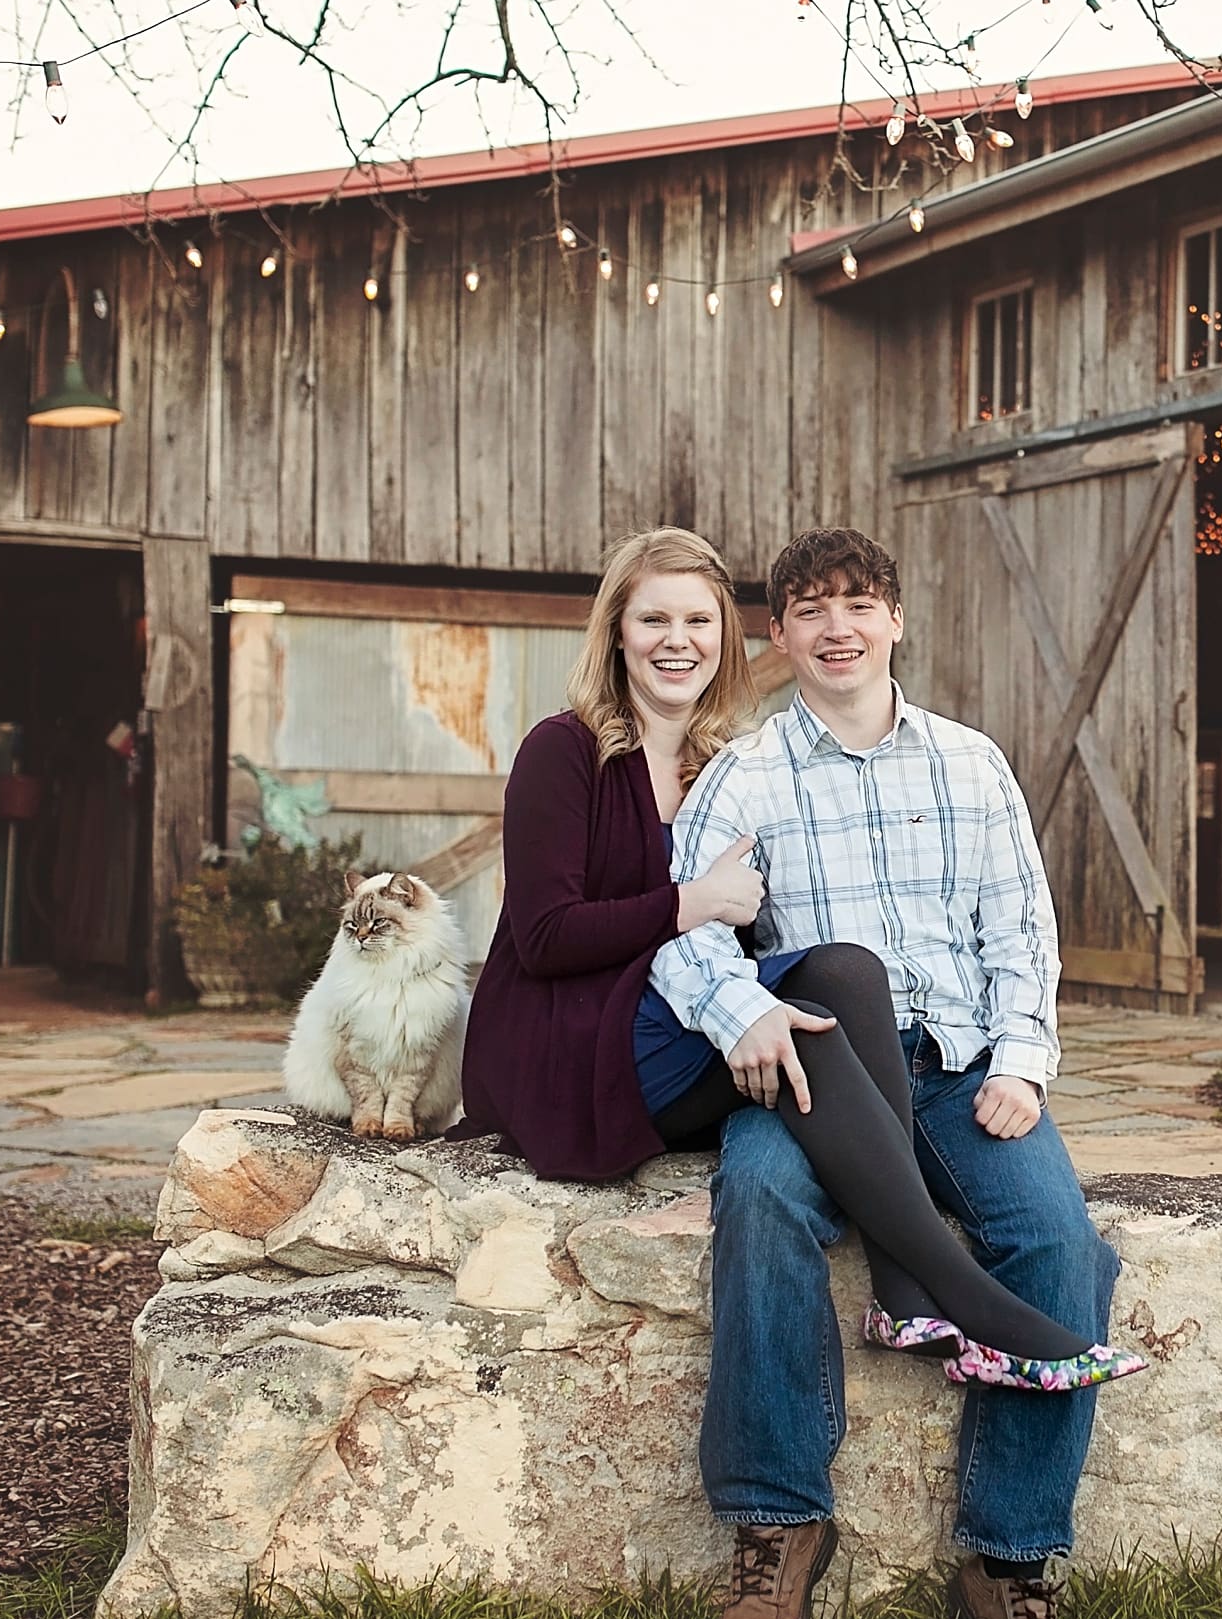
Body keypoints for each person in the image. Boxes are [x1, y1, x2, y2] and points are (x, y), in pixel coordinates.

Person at [652, 525, 1126, 1619]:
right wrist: (742, 1017)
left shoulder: (971, 766)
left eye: (858, 604)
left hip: (963, 1068)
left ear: (897, 621)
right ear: (777, 639)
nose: (837, 628)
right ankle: (776, 1531)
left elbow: (1023, 932)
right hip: (814, 1071)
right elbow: (685, 934)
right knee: (757, 1200)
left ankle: (1009, 1562)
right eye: (808, 610)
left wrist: (1023, 1058)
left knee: (1061, 1242)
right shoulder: (745, 777)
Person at [461, 528, 1113, 1372]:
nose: (677, 640)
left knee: (843, 972)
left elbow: (1013, 924)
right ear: (616, 631)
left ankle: (906, 1293)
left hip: (674, 1027)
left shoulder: (715, 762)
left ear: (726, 640)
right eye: (653, 619)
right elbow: (544, 936)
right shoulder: (566, 749)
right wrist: (698, 917)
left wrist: (1018, 1053)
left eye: (698, 620)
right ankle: (954, 1293)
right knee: (830, 988)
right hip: (579, 1047)